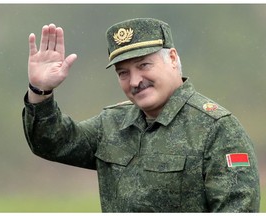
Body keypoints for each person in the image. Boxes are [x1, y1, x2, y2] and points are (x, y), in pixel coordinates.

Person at [22, 18, 260, 212]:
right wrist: (40, 91)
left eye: (144, 65)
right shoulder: (112, 124)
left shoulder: (216, 129)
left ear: (173, 59)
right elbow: (52, 142)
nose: (135, 81)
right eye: (123, 72)